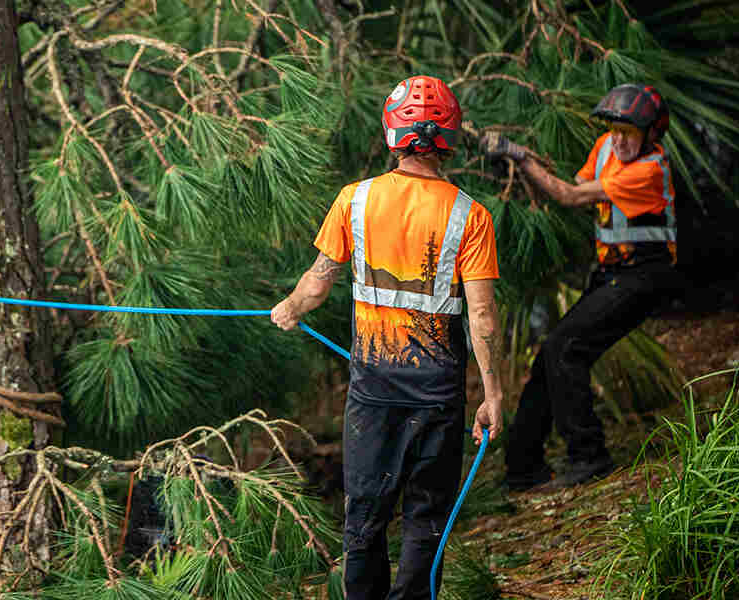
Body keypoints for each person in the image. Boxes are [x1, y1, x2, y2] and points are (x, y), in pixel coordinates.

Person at [270, 75, 504, 600]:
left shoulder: (355, 200)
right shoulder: (471, 215)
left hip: (373, 391)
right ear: (448, 137)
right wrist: (492, 395)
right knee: (427, 519)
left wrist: (289, 308)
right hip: (437, 394)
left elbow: (316, 284)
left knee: (364, 518)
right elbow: (483, 316)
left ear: (392, 134)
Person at [482, 83, 679, 491]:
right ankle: (522, 466)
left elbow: (570, 195)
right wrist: (518, 171)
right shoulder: (605, 147)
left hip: (645, 276)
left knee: (566, 349)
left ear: (650, 134)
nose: (619, 140)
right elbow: (564, 185)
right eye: (614, 129)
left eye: (629, 132)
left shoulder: (650, 169)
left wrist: (518, 154)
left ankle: (590, 456)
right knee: (550, 356)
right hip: (611, 274)